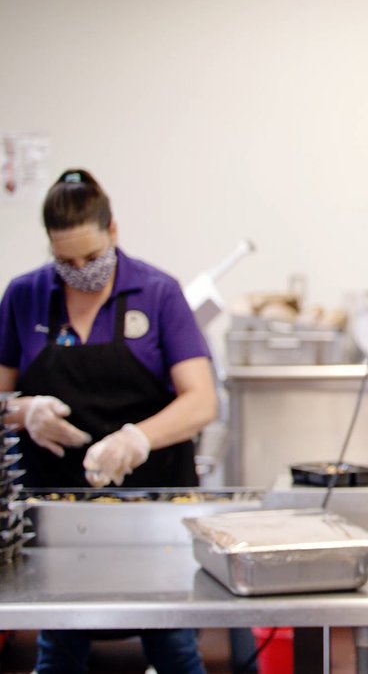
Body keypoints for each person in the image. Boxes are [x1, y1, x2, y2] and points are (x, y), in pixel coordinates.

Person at [0, 169, 216, 673]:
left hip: (152, 512)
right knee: (59, 647)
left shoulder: (158, 293)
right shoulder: (25, 295)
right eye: (66, 262)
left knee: (173, 645)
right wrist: (24, 412)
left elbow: (202, 401)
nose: (80, 270)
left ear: (113, 230)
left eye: (92, 257)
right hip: (56, 517)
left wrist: (137, 439)